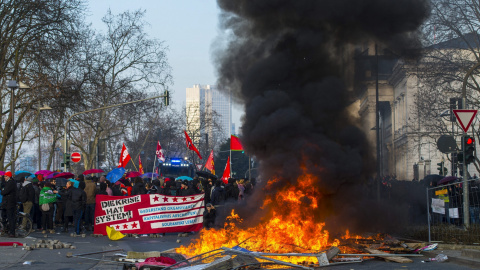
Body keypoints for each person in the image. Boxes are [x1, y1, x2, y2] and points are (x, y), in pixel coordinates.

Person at [1, 172, 17, 237]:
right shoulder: (8, 182)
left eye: (5, 176)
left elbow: (4, 192)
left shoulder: (11, 183)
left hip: (10, 203)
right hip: (6, 203)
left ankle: (12, 232)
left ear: (9, 177)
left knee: (10, 217)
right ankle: (6, 229)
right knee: (3, 216)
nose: (4, 177)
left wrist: (3, 190)